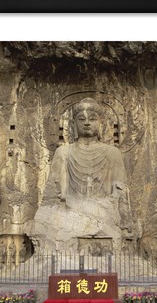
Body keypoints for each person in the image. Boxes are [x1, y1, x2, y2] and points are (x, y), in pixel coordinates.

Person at [30, 98, 134, 251]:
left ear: (101, 124)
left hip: (104, 211)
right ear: (72, 125)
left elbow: (120, 192)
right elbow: (54, 194)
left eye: (92, 119)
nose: (86, 123)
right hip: (70, 211)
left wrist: (125, 221)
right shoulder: (64, 152)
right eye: (81, 119)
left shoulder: (112, 153)